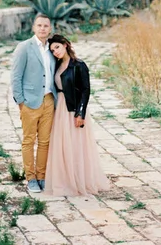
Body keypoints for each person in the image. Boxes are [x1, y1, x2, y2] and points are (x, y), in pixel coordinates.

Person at [45, 34, 110, 197]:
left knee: (76, 145)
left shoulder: (79, 65)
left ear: (66, 45)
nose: (55, 52)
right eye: (52, 50)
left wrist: (80, 113)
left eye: (57, 47)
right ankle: (65, 180)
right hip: (60, 108)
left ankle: (80, 180)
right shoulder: (57, 65)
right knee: (62, 145)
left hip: (74, 110)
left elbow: (86, 90)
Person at [11, 13, 58, 193]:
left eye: (46, 26)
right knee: (29, 141)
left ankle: (42, 176)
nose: (42, 29)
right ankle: (30, 178)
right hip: (29, 102)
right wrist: (20, 102)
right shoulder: (24, 47)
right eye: (39, 25)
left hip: (48, 100)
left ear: (50, 28)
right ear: (33, 28)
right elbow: (15, 76)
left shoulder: (52, 48)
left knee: (45, 141)